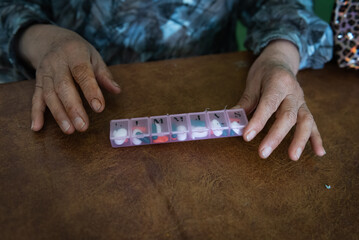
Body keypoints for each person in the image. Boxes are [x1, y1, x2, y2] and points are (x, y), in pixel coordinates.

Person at [0, 0, 332, 160]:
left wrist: (279, 56)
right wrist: (42, 40)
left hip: (215, 90)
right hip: (68, 94)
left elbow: (283, 4)